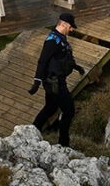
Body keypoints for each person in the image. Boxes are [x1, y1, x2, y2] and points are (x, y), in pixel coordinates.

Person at [28, 12, 84, 148]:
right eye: (70, 27)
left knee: (50, 107)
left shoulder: (61, 39)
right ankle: (64, 143)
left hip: (55, 81)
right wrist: (36, 81)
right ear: (63, 24)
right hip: (54, 82)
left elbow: (62, 58)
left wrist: (76, 67)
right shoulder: (52, 41)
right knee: (69, 110)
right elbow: (42, 61)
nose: (72, 30)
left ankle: (32, 132)